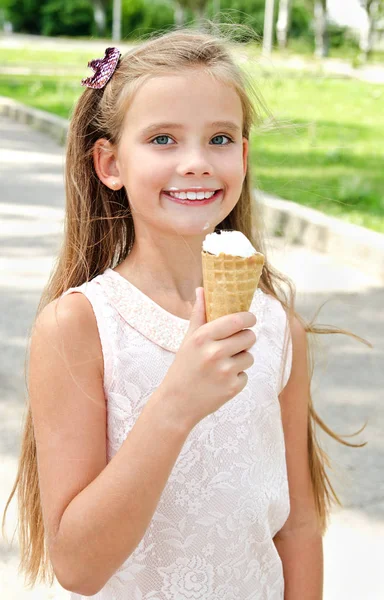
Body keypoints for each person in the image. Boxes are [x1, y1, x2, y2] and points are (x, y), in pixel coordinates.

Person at [2, 25, 370, 600]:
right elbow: (77, 566)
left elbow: (297, 526)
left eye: (220, 139)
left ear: (244, 156)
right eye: (163, 139)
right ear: (109, 164)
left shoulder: (277, 329)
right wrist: (174, 404)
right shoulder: (79, 328)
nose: (197, 162)